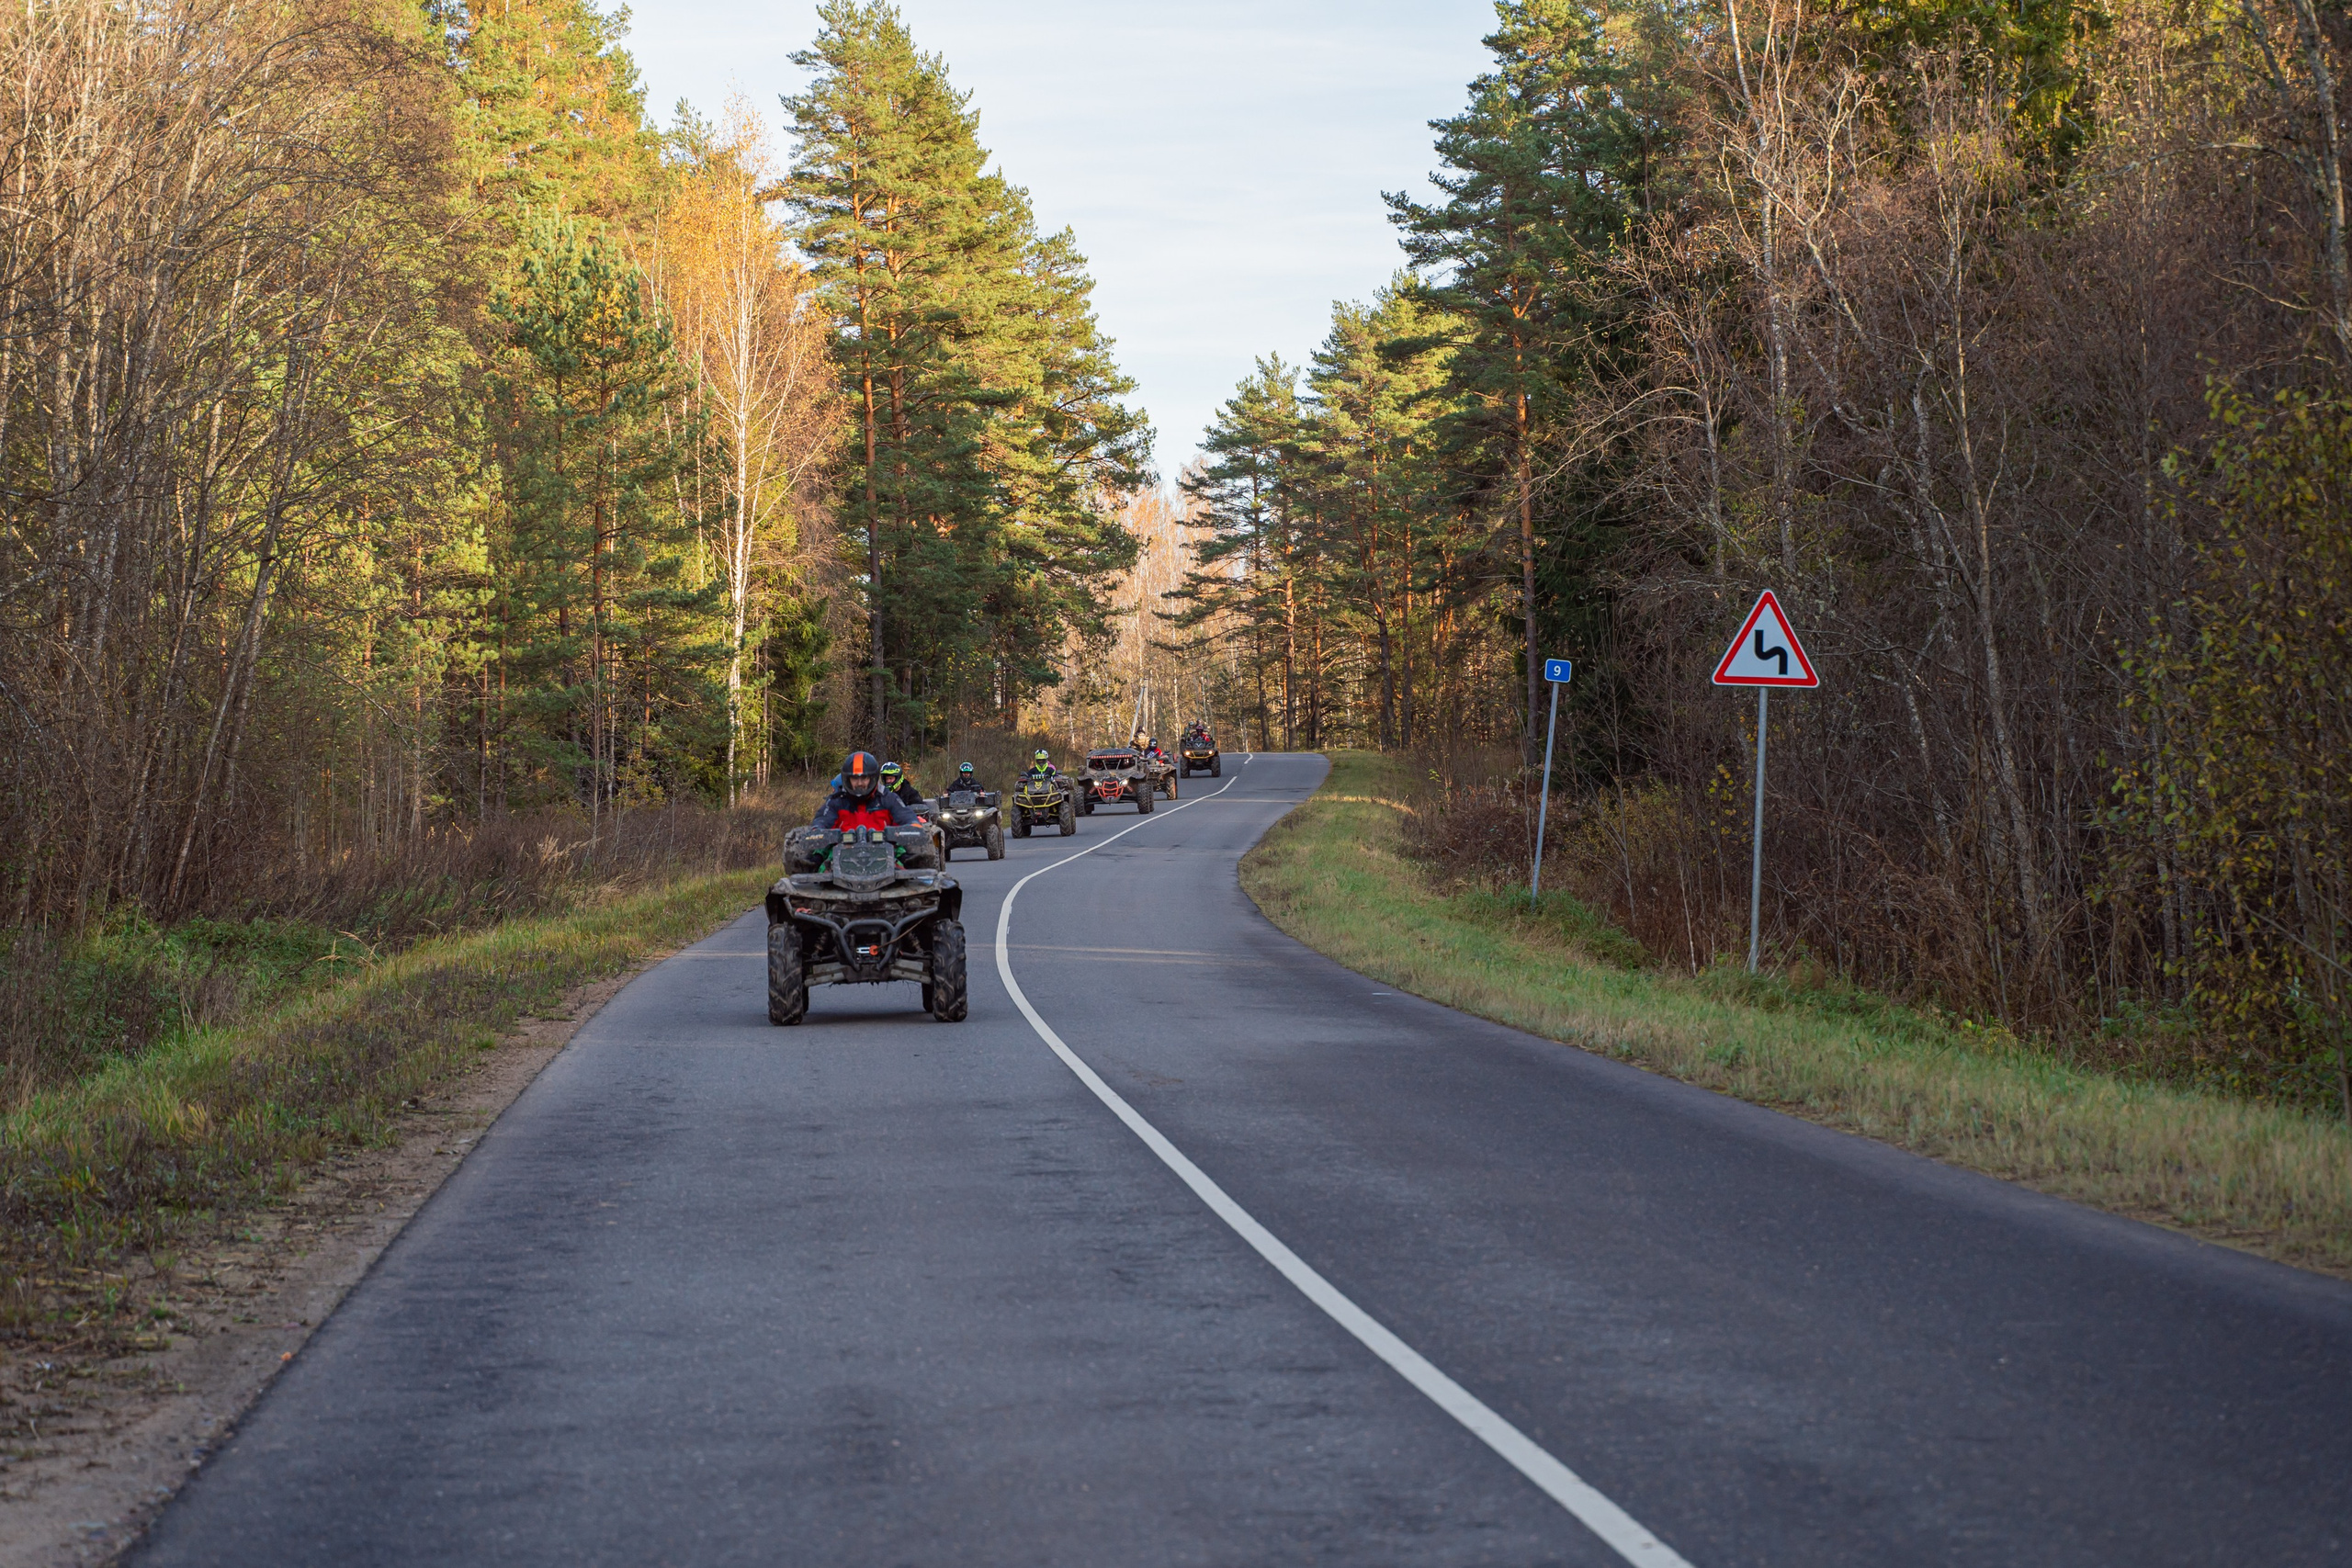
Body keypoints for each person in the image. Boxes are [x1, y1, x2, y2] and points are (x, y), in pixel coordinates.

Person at [813, 750, 918, 831]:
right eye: (854, 778)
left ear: (872, 778)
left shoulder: (889, 799)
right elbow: (821, 822)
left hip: (886, 856)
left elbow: (907, 818)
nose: (859, 783)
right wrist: (816, 832)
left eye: (864, 778)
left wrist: (914, 828)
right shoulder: (835, 802)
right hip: (841, 856)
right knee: (813, 855)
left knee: (913, 856)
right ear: (847, 780)